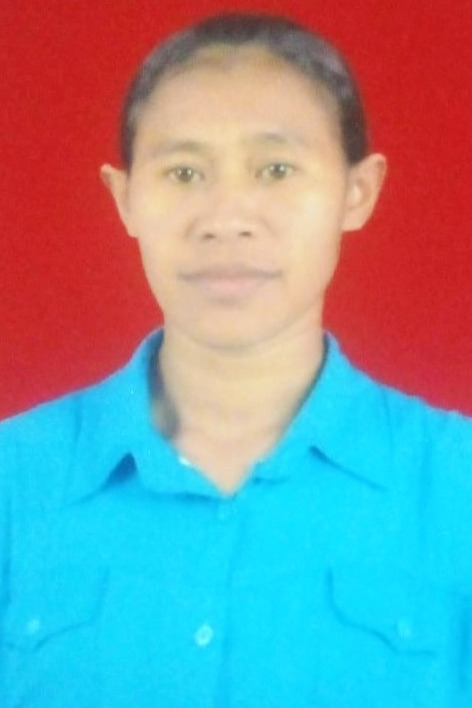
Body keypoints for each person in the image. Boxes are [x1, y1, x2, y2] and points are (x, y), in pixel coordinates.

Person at [1, 12, 471, 708]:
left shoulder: (455, 485)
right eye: (184, 172)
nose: (226, 219)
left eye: (276, 169)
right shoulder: (16, 480)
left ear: (357, 192)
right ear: (125, 199)